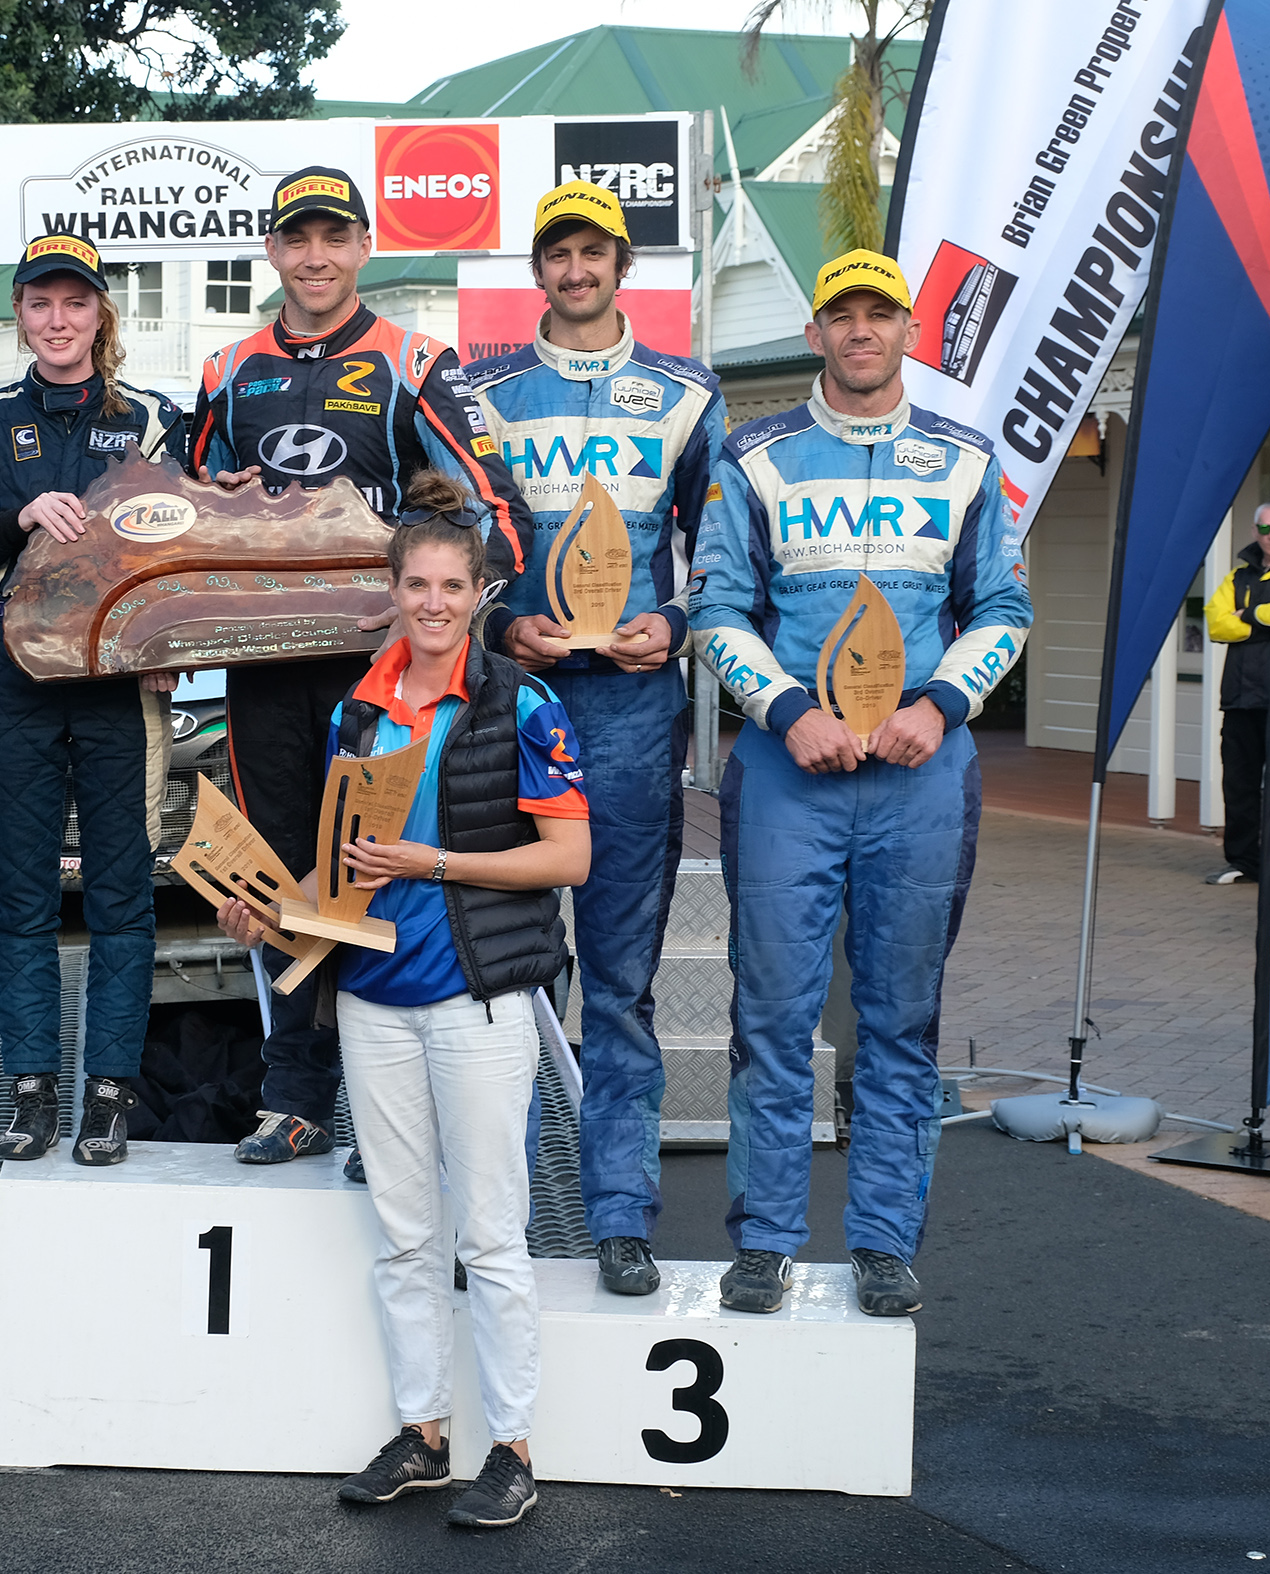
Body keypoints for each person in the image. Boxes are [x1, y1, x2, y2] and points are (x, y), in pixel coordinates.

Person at [213, 470, 590, 1529]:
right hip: (372, 999)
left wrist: (436, 860)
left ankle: (510, 1445)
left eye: (449, 586)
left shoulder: (524, 700)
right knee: (403, 1233)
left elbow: (570, 855)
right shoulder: (356, 708)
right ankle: (424, 1431)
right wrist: (270, 919)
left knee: (492, 1235)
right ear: (390, 589)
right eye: (414, 584)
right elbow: (344, 880)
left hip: (479, 999)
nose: (431, 602)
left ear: (478, 593)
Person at [688, 249, 1031, 1317]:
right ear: (816, 331)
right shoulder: (755, 457)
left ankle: (883, 1241)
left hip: (921, 774)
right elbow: (715, 611)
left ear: (909, 331)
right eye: (842, 313)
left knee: (899, 1021)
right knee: (774, 1016)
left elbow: (1004, 612)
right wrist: (789, 712)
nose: (861, 331)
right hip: (788, 774)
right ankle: (765, 1240)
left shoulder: (966, 460)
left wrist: (937, 704)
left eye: (880, 313)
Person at [190, 165, 532, 1167]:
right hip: (261, 664)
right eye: (296, 238)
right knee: (282, 863)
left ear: (362, 246)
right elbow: (176, 503)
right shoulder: (225, 369)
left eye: (333, 237)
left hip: (379, 678)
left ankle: (394, 1102)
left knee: (374, 871)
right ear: (272, 251)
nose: (315, 256)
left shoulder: (417, 359)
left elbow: (492, 509)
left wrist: (457, 623)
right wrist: (215, 494)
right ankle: (294, 1094)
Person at [465, 181, 728, 1297]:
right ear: (538, 270)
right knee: (512, 976)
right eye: (557, 254)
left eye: (594, 253)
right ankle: (505, 1216)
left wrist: (669, 624)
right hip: (516, 700)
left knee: (618, 984)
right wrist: (493, 621)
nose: (576, 271)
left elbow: (727, 551)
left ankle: (620, 1212)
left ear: (623, 267)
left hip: (628, 708)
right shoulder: (479, 391)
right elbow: (452, 538)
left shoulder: (687, 393)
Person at [0, 234, 186, 1167]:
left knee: (120, 896)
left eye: (76, 303)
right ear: (20, 315)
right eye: (40, 304)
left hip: (116, 686)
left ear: (101, 313)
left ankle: (110, 1090)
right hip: (15, 681)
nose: (58, 321)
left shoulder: (149, 419)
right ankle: (30, 1088)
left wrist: (162, 646)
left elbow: (181, 553)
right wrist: (14, 519)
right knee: (19, 895)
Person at [1204, 500, 1270, 885]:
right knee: (1239, 785)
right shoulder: (1237, 578)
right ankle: (1243, 863)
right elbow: (1217, 625)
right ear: (1254, 531)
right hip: (1239, 699)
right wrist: (1264, 619)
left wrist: (1247, 616)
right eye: (1265, 529)